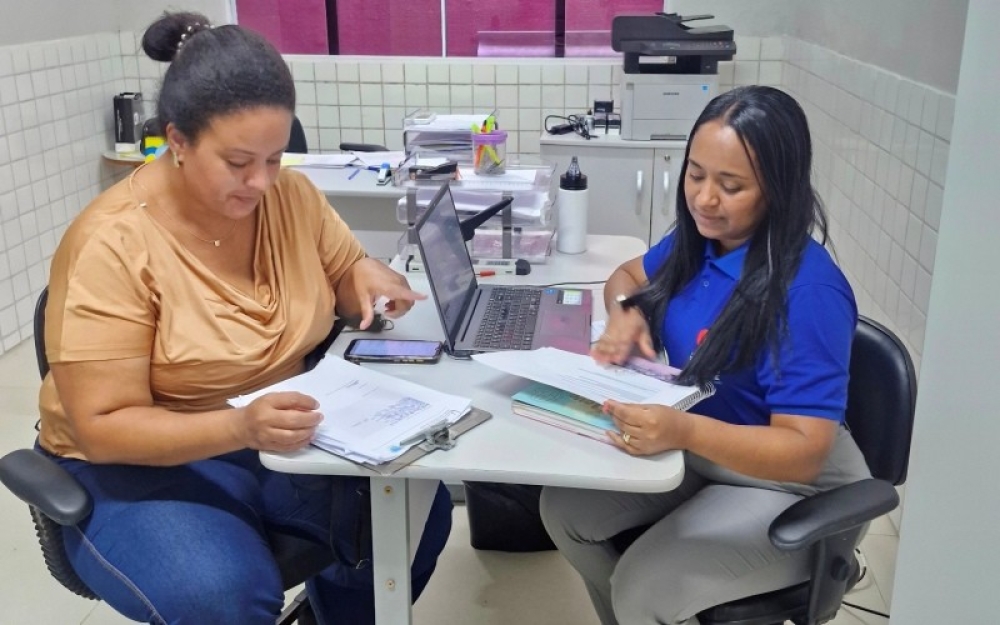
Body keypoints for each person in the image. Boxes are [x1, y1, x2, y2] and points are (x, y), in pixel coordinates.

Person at [35, 11, 451, 625]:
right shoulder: (113, 245)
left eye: (276, 158)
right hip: (135, 466)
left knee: (417, 510)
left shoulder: (291, 197)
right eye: (237, 162)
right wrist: (240, 429)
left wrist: (361, 278)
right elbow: (104, 427)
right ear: (177, 141)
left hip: (270, 435)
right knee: (220, 597)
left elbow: (343, 272)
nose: (261, 182)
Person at [539, 85, 872, 625]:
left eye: (731, 185)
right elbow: (628, 276)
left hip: (792, 481)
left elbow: (804, 451)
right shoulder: (706, 239)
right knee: (565, 511)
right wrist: (628, 313)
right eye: (696, 175)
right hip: (708, 442)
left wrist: (683, 432)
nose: (704, 199)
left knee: (644, 586)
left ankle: (644, 609)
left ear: (777, 190)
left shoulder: (808, 293)